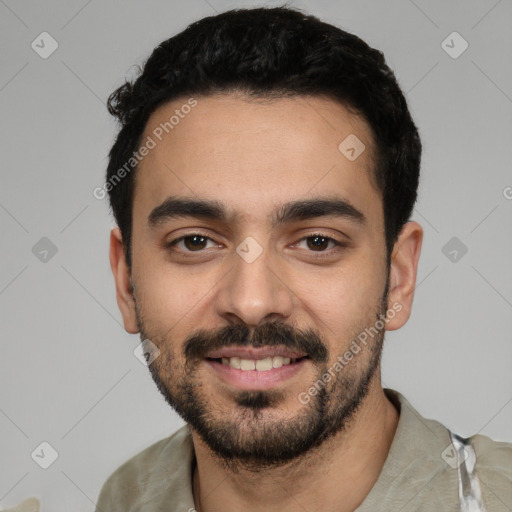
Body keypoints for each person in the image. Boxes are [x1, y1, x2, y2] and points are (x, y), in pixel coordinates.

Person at [96, 6, 511, 511]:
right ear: (127, 281)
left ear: (398, 279)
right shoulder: (123, 499)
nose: (251, 302)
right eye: (195, 242)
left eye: (317, 242)